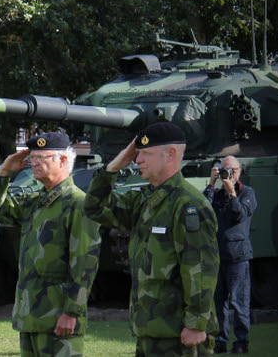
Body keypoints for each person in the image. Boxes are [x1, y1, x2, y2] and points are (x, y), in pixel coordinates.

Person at [83, 122, 219, 356]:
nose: (137, 160)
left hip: (179, 335)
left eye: (145, 154)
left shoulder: (188, 205)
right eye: (138, 154)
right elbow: (94, 207)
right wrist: (113, 167)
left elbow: (200, 268)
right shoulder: (147, 201)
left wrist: (196, 324)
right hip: (150, 330)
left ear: (171, 155)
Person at [0, 132, 101, 356]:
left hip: (59, 318)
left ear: (63, 161)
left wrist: (72, 312)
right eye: (32, 158)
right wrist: (4, 172)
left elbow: (84, 263)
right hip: (31, 316)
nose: (33, 163)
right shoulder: (36, 203)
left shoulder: (78, 204)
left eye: (41, 158)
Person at [204, 156, 256, 354]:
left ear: (239, 171)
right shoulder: (216, 194)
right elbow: (203, 209)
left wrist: (232, 193)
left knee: (239, 302)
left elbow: (240, 215)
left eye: (232, 170)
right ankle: (220, 341)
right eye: (224, 170)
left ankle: (242, 342)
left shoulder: (247, 192)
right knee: (219, 304)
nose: (228, 173)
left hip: (237, 257)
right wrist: (211, 183)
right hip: (218, 256)